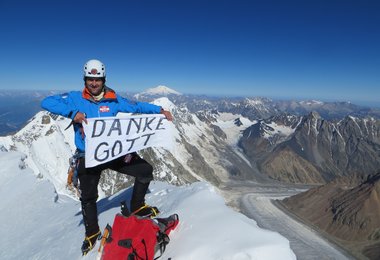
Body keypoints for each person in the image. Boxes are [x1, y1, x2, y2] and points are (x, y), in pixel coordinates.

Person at [41, 59, 173, 255]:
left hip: (112, 152)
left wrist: (160, 111)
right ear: (85, 80)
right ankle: (92, 232)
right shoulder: (75, 98)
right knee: (88, 196)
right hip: (89, 154)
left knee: (145, 170)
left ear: (103, 80)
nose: (94, 83)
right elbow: (46, 102)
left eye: (97, 79)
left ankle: (137, 205)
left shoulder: (113, 99)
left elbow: (136, 107)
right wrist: (72, 113)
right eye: (90, 79)